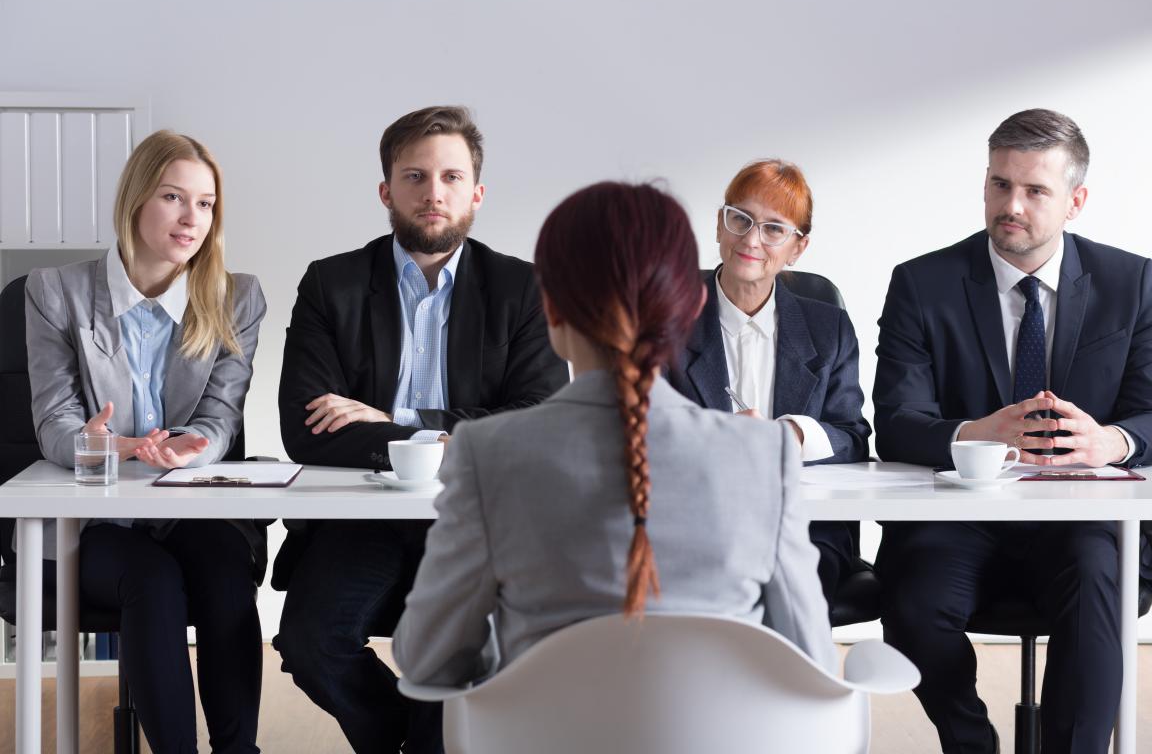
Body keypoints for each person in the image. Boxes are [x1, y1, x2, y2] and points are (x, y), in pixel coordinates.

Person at [392, 181, 837, 689]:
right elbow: (814, 664)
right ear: (691, 307)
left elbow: (427, 658)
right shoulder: (765, 455)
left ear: (551, 311)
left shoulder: (487, 452)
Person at [272, 105, 568, 754]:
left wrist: (397, 421)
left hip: (473, 518)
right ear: (386, 191)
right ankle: (401, 737)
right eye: (414, 176)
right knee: (310, 641)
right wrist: (461, 434)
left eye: (451, 177)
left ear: (477, 193)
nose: (433, 193)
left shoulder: (524, 289)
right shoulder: (333, 284)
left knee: (459, 654)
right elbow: (307, 428)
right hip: (363, 515)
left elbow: (540, 420)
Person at [873, 108, 1152, 754]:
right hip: (960, 523)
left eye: (1034, 190)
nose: (1011, 205)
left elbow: (1148, 412)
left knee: (1096, 584)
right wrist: (977, 432)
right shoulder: (922, 284)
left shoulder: (1133, 285)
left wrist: (1113, 441)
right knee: (913, 606)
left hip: (1081, 521)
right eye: (999, 184)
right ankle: (973, 743)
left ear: (1076, 201)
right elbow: (894, 423)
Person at [24, 130, 267, 753]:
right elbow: (54, 423)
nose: (193, 219)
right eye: (173, 197)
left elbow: (220, 415)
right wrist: (101, 443)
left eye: (206, 204)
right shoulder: (56, 293)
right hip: (95, 521)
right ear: (136, 200)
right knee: (152, 580)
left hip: (184, 504)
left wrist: (195, 447)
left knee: (224, 571)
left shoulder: (236, 298)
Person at [667, 159, 871, 606]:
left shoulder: (828, 327)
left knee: (786, 584)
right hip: (697, 523)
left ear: (798, 248)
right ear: (719, 227)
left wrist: (794, 435)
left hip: (804, 527)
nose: (751, 239)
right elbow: (637, 432)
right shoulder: (666, 318)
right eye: (740, 219)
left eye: (774, 229)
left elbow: (853, 438)